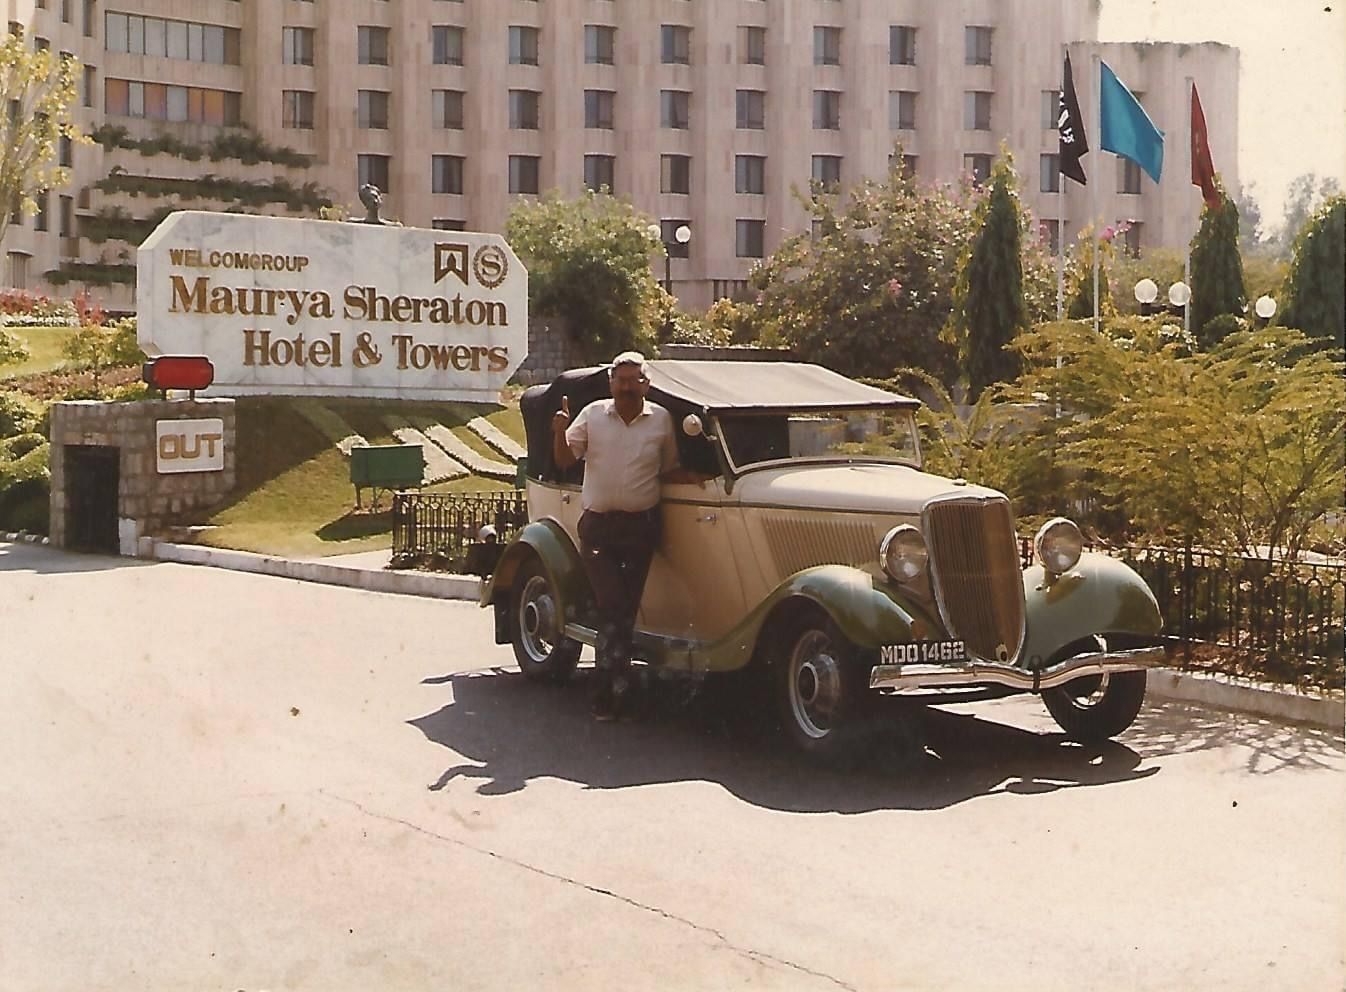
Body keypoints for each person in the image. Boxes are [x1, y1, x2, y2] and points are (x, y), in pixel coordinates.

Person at [551, 351, 706, 720]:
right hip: (599, 528)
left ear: (646, 385)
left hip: (640, 527)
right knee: (612, 605)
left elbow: (668, 469)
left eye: (633, 381)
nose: (626, 388)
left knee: (623, 609)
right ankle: (610, 690)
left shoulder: (662, 421)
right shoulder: (592, 415)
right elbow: (563, 460)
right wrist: (559, 431)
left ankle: (615, 688)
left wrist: (699, 480)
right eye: (620, 381)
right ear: (611, 384)